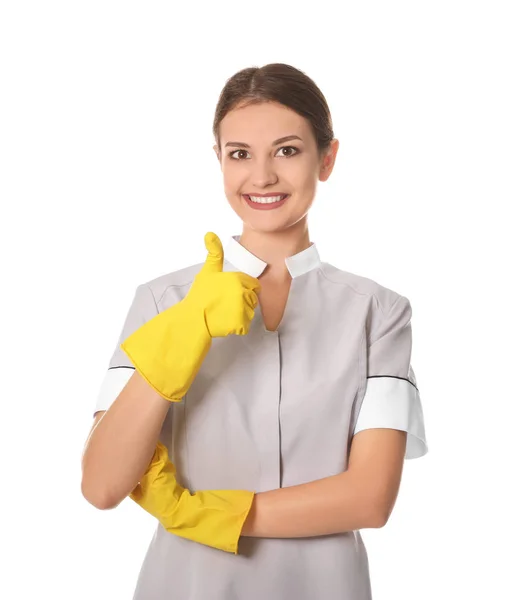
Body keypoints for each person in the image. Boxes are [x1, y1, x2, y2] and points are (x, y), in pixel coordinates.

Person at [81, 62, 428, 600]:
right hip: (187, 586)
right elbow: (102, 484)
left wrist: (202, 513)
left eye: (287, 151)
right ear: (218, 160)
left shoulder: (379, 313)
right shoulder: (163, 301)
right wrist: (184, 331)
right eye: (239, 154)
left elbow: (370, 498)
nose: (262, 176)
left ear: (327, 158)